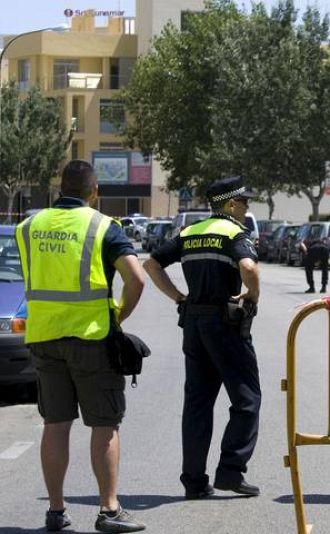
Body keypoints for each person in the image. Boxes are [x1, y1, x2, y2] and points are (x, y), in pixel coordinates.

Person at [16, 160, 146, 533]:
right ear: (95, 193)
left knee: (55, 424)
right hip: (91, 338)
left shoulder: (28, 227)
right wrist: (117, 317)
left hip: (43, 337)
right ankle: (108, 510)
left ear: (60, 189)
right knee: (104, 424)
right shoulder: (102, 225)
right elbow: (135, 278)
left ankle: (56, 511)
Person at [143, 176, 262, 499]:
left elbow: (151, 264)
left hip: (193, 322)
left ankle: (194, 481)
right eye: (244, 202)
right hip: (225, 323)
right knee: (247, 398)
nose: (246, 207)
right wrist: (252, 294)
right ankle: (230, 471)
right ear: (231, 204)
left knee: (197, 403)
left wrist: (179, 297)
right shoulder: (234, 233)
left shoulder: (189, 232)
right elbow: (249, 268)